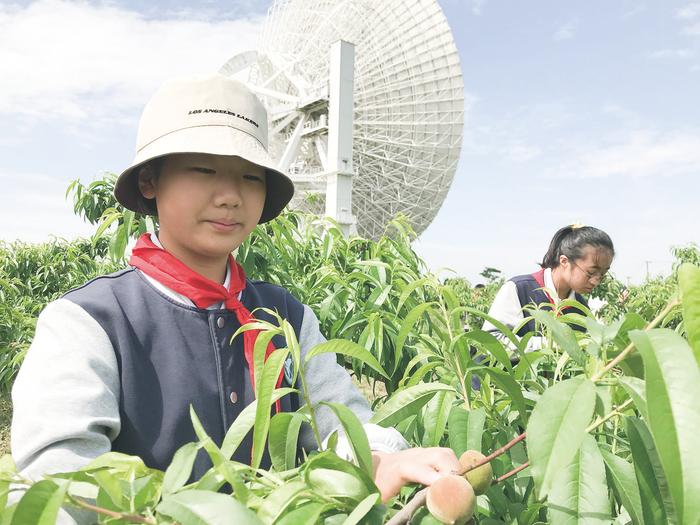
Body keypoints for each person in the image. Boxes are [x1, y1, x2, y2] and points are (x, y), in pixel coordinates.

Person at [11, 75, 460, 523]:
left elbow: (339, 423)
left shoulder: (286, 315)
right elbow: (60, 484)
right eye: (204, 170)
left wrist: (381, 457)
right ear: (150, 181)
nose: (230, 196)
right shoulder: (91, 322)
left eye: (250, 176)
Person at [482, 225, 614, 345]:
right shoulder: (519, 289)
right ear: (564, 261)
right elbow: (490, 342)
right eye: (591, 272)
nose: (596, 281)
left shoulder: (580, 308)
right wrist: (552, 345)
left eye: (602, 274)